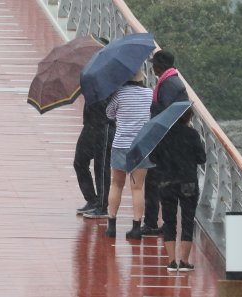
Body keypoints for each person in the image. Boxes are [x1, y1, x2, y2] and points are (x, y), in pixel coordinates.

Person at [149, 108, 206, 271]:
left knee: (169, 221)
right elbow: (202, 158)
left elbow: (153, 158)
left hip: (166, 183)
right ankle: (185, 261)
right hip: (188, 182)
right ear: (188, 118)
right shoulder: (192, 134)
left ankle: (172, 262)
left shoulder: (162, 134)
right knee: (187, 221)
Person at [142, 49, 190, 235]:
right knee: (163, 183)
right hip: (169, 140)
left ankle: (153, 223)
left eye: (154, 64)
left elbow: (166, 114)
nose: (152, 67)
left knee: (156, 182)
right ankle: (163, 223)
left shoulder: (169, 84)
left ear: (160, 66)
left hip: (166, 141)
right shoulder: (171, 81)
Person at [104, 71, 154, 240]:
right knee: (138, 187)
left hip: (120, 145)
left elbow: (109, 114)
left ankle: (111, 225)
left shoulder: (119, 94)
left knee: (116, 185)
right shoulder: (149, 94)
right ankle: (136, 227)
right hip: (141, 146)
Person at [74, 96, 116, 218]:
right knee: (79, 162)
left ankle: (102, 206)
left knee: (101, 167)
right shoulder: (90, 79)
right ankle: (92, 199)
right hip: (89, 124)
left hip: (105, 125)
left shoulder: (111, 82)